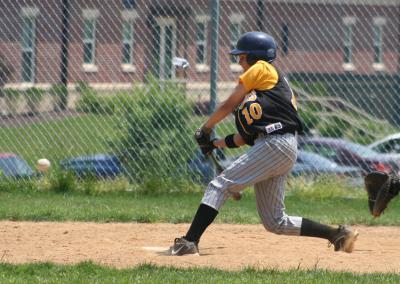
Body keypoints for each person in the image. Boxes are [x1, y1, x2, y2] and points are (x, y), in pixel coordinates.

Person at [169, 31, 358, 256]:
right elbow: (243, 139)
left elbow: (229, 103)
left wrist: (205, 128)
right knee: (275, 221)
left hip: (275, 143)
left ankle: (189, 241)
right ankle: (337, 234)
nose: (239, 60)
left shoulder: (262, 68)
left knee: (218, 186)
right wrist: (214, 143)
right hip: (278, 147)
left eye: (242, 55)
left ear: (255, 56)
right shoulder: (263, 96)